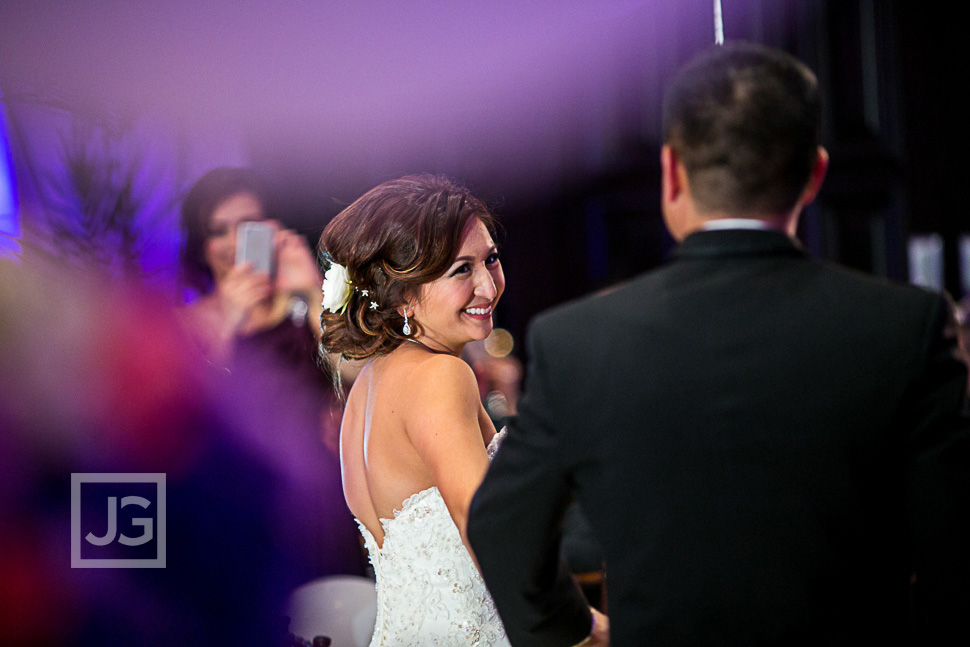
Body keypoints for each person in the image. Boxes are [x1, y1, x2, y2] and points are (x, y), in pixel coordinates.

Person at [468, 42, 970, 645]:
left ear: (672, 173)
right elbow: (954, 556)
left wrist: (564, 627)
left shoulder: (577, 340)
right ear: (815, 175)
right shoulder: (907, 326)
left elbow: (501, 525)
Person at [317, 175, 522, 644]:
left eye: (490, 259)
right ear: (405, 295)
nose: (488, 286)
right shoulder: (440, 377)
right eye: (460, 271)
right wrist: (579, 628)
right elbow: (488, 530)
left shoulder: (366, 389)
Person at [178, 167, 366, 580]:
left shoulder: (301, 302)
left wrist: (315, 292)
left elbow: (357, 374)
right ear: (201, 244)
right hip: (238, 499)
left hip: (318, 495)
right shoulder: (187, 324)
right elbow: (191, 421)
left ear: (272, 228)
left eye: (247, 227)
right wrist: (228, 321)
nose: (232, 244)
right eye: (217, 231)